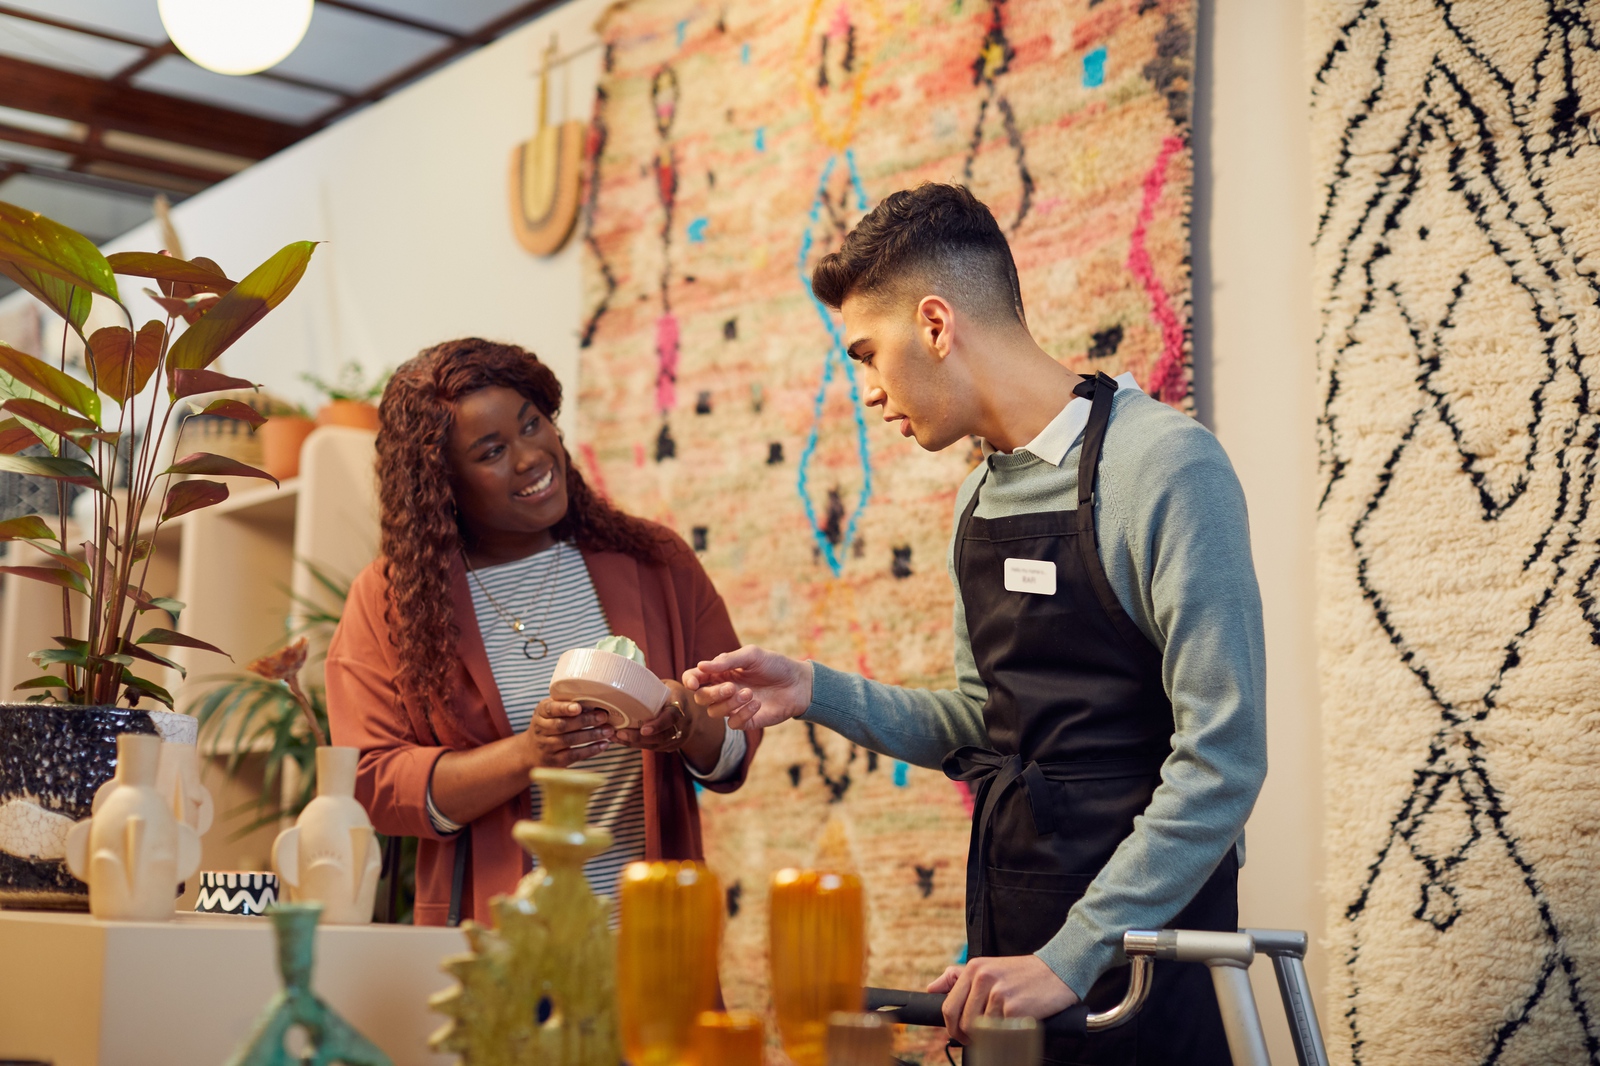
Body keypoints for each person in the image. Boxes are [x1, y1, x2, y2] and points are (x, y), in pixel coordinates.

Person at [684, 184, 1265, 1064]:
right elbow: (980, 723)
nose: (871, 393)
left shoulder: (1168, 468)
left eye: (869, 356)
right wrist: (813, 690)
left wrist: (1070, 960)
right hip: (1011, 945)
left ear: (935, 324)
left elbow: (1223, 760)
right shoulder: (977, 498)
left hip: (1142, 963)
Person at [327, 338, 760, 926]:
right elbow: (373, 781)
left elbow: (736, 732)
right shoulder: (391, 600)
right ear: (442, 483)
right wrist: (528, 754)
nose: (531, 456)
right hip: (498, 952)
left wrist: (682, 717)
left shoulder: (654, 559)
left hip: (650, 941)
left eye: (533, 425)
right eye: (492, 451)